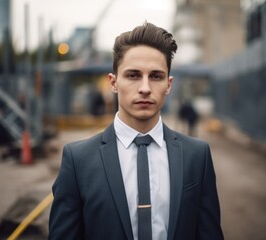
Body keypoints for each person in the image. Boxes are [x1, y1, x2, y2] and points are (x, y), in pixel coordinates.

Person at [49, 22, 224, 240]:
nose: (145, 88)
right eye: (133, 75)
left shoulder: (197, 156)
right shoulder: (78, 160)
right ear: (113, 82)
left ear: (169, 85)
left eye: (156, 76)